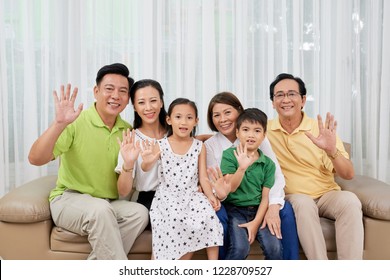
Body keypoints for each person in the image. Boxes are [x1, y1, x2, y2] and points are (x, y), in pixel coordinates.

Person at [28, 63, 149, 260]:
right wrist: (58, 124)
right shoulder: (74, 122)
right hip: (68, 200)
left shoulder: (127, 131)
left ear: (128, 99)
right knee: (99, 211)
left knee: (139, 213)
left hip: (107, 203)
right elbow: (35, 159)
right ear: (96, 91)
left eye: (123, 91)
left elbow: (123, 190)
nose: (115, 96)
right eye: (109, 89)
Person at [267, 73, 363, 259]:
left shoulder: (320, 130)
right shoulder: (264, 130)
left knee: (350, 200)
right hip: (294, 196)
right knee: (303, 203)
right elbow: (233, 135)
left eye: (291, 94)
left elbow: (348, 174)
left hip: (326, 194)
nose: (285, 99)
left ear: (303, 100)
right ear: (273, 102)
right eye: (279, 95)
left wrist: (331, 150)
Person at [205, 92, 299, 260]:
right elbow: (218, 183)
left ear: (239, 112)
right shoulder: (212, 145)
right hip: (230, 201)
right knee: (218, 214)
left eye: (228, 112)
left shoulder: (257, 138)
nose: (222, 119)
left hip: (258, 199)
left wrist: (273, 206)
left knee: (285, 210)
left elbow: (275, 175)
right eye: (216, 115)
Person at [141, 98, 223, 260]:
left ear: (196, 121)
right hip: (167, 197)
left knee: (210, 217)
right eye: (178, 117)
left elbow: (203, 177)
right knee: (174, 220)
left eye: (189, 117)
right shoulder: (161, 144)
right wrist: (148, 160)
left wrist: (211, 197)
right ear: (169, 120)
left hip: (191, 195)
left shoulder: (199, 146)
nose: (183, 122)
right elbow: (145, 167)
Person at [218, 108, 282, 260]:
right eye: (246, 130)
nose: (251, 135)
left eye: (257, 131)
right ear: (238, 133)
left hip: (258, 210)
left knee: (275, 249)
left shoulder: (268, 164)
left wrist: (256, 223)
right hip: (235, 210)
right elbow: (230, 188)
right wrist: (241, 167)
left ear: (264, 135)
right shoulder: (229, 155)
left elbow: (265, 197)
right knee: (240, 248)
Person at [115, 79, 167, 210]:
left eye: (153, 100)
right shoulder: (131, 140)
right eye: (141, 102)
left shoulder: (176, 132)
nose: (148, 107)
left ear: (161, 102)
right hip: (150, 201)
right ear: (135, 107)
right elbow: (123, 191)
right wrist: (128, 163)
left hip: (181, 197)